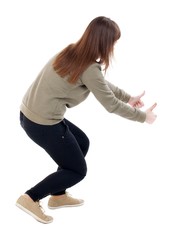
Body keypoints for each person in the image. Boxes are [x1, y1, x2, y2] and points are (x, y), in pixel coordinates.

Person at [16, 16, 157, 224]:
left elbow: (100, 82)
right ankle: (30, 197)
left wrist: (129, 98)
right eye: (113, 42)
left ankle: (58, 195)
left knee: (82, 142)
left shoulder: (74, 52)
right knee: (77, 170)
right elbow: (111, 105)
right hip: (42, 123)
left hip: (31, 115)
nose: (114, 47)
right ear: (104, 42)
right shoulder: (89, 67)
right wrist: (143, 117)